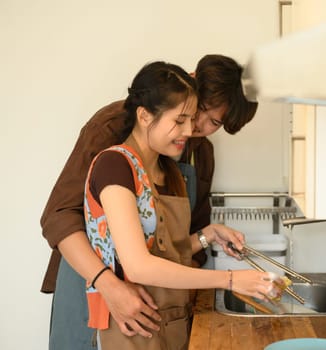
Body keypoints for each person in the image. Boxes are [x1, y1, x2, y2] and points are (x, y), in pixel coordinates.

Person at [40, 55, 259, 349]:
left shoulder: (197, 153)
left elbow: (172, 241)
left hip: (154, 309)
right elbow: (60, 216)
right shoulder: (114, 136)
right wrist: (108, 284)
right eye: (196, 113)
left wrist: (207, 240)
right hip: (92, 284)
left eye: (214, 123)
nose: (196, 126)